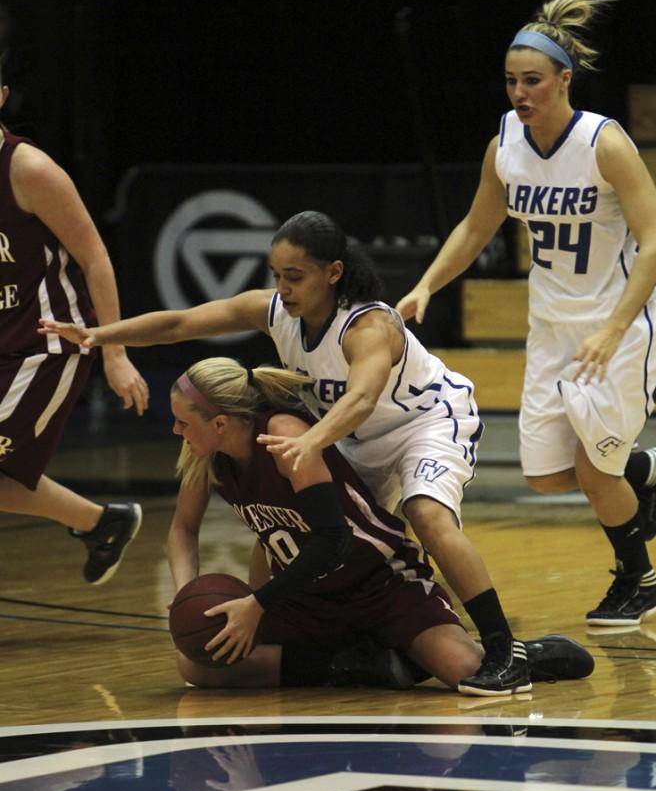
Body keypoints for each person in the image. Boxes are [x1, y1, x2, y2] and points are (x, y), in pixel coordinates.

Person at [42, 212, 533, 695]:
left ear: (333, 272)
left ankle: (502, 649)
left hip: (424, 421)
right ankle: (280, 621)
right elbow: (180, 323)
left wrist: (312, 441)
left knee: (426, 515)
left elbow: (361, 398)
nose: (284, 288)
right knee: (287, 525)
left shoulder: (368, 325)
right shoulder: (275, 310)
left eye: (295, 277)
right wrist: (100, 336)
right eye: (277, 276)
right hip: (355, 434)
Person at [395, 0, 656, 628]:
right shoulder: (506, 146)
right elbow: (475, 228)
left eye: (532, 81)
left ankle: (638, 582)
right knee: (550, 478)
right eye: (510, 82)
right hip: (553, 323)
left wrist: (612, 329)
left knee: (590, 468)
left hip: (624, 319)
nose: (519, 93)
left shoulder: (604, 144)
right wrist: (426, 285)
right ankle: (644, 469)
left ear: (564, 80)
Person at [164, 355, 593, 695]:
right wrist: (186, 597)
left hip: (378, 583)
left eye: (183, 421)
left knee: (465, 672)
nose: (175, 429)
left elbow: (333, 541)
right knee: (198, 662)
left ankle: (526, 654)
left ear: (220, 423)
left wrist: (257, 603)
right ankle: (353, 662)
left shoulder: (285, 436)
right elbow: (183, 530)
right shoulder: (205, 461)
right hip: (306, 596)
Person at [0, 60, 147, 583]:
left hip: (46, 343)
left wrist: (115, 351)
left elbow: (95, 257)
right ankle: (102, 522)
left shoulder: (28, 168)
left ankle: (101, 522)